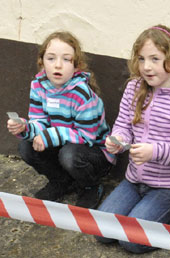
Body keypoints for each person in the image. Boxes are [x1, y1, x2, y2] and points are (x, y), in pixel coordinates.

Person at [95, 25, 170, 254]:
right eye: (142, 58)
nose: (146, 66)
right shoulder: (134, 87)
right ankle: (145, 215)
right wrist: (117, 140)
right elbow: (123, 124)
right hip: (135, 181)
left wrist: (154, 151)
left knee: (131, 242)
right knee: (101, 232)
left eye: (155, 59)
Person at [6, 31, 114, 209]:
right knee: (25, 146)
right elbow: (39, 121)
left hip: (93, 152)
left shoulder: (82, 94)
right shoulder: (38, 86)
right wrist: (25, 128)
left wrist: (49, 136)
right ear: (42, 62)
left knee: (69, 155)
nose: (58, 65)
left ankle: (90, 186)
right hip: (62, 143)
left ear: (76, 66)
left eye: (66, 59)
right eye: (51, 58)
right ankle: (61, 181)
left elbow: (87, 136)